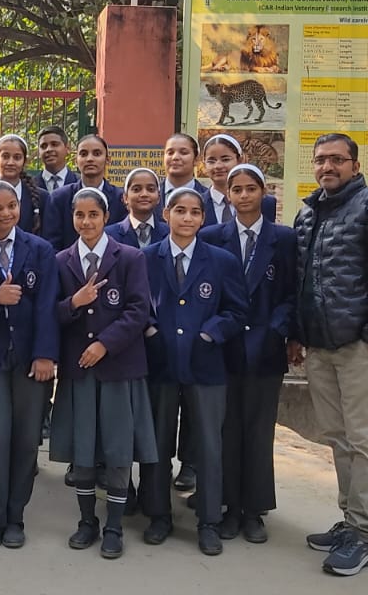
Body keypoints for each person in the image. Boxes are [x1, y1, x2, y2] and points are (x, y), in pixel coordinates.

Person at [291, 133, 368, 577]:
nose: (328, 167)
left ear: (355, 166)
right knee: (337, 437)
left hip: (359, 346)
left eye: (337, 160)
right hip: (320, 346)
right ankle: (352, 521)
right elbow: (302, 280)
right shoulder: (308, 213)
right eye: (321, 160)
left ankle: (363, 533)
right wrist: (298, 335)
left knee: (363, 440)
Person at [137, 187, 246, 557]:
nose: (187, 218)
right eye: (179, 210)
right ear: (166, 214)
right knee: (157, 443)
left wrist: (209, 334)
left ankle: (209, 521)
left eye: (195, 212)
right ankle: (158, 515)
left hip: (206, 367)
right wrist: (151, 331)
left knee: (209, 446)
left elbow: (236, 311)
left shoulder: (221, 261)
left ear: (203, 218)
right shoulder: (146, 258)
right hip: (161, 365)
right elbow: (138, 306)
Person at [50, 186, 156, 559]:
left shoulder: (130, 257)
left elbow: (138, 310)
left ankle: (114, 526)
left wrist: (105, 344)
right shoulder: (61, 261)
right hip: (80, 371)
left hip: (118, 368)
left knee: (117, 447)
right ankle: (86, 521)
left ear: (106, 217)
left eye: (93, 214)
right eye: (79, 215)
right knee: (83, 447)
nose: (86, 222)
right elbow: (52, 314)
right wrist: (73, 303)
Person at [201, 164, 295, 545]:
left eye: (250, 189)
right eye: (236, 189)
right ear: (228, 195)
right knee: (227, 430)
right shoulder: (212, 237)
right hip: (223, 348)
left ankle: (254, 511)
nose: (243, 196)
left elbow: (291, 292)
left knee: (258, 431)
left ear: (263, 192)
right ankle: (229, 507)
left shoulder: (283, 239)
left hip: (265, 350)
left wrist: (277, 330)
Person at [0, 181, 58, 551]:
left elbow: (48, 304)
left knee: (25, 442)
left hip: (30, 361)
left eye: (12, 206)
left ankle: (16, 518)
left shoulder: (40, 249)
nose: (6, 214)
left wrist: (45, 354)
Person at [44, 135, 128, 251]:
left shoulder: (120, 198)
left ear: (108, 159)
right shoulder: (59, 198)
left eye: (97, 154)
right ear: (76, 160)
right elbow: (52, 245)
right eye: (83, 154)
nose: (89, 159)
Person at [201, 134, 278, 226]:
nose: (218, 166)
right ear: (204, 164)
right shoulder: (197, 203)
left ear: (240, 160)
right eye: (211, 161)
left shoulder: (264, 202)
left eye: (225, 159)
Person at [0, 135, 46, 235]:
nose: (10, 162)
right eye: (5, 156)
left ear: (25, 161)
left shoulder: (42, 197)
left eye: (17, 158)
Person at [106, 168, 166, 249]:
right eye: (136, 189)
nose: (144, 194)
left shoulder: (169, 233)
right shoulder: (109, 235)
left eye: (151, 189)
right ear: (125, 197)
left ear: (158, 197)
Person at [33, 126, 77, 193]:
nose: (48, 149)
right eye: (44, 146)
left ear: (67, 148)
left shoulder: (79, 183)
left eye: (54, 144)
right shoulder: (30, 186)